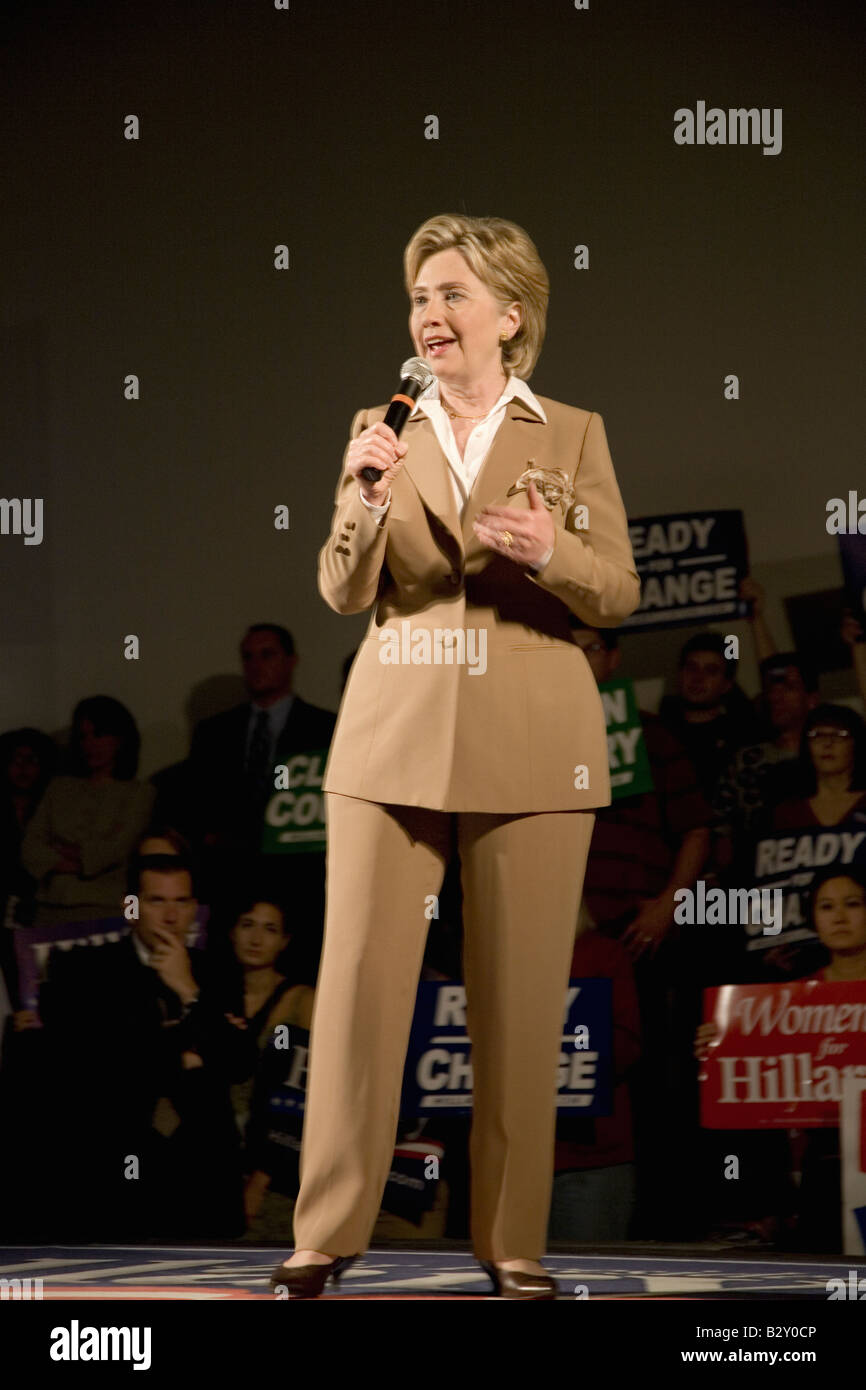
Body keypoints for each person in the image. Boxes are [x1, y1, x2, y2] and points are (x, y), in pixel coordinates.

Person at [270, 212, 640, 1300]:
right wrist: (362, 492)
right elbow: (341, 590)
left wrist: (553, 551)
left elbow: (617, 590)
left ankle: (509, 1246)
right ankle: (324, 1237)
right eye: (419, 298)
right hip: (388, 741)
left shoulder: (571, 432)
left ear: (509, 313)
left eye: (451, 296)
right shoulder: (380, 426)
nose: (429, 315)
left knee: (522, 1006)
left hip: (534, 744)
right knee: (354, 996)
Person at [695, 864, 866, 1251]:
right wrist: (718, 1046)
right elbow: (743, 1085)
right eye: (826, 907)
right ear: (813, 920)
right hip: (820, 1170)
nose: (839, 916)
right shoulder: (787, 1000)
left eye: (852, 904)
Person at [19, 696, 155, 925]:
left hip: (107, 906)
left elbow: (118, 848)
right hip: (50, 905)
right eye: (83, 737)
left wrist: (66, 854)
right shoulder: (59, 787)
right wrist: (68, 859)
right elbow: (31, 845)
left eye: (98, 735)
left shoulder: (139, 792)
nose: (89, 744)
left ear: (120, 739)